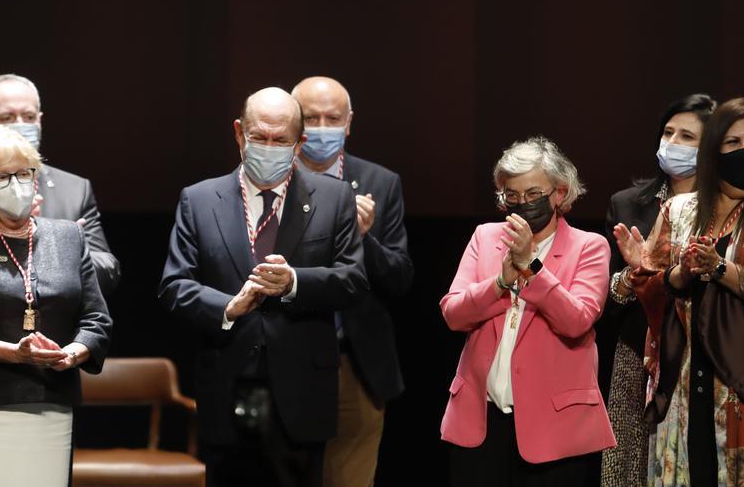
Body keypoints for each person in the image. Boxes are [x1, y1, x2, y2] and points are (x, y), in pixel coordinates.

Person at [158, 87, 367, 487]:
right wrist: (226, 307)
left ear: (299, 143)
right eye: (259, 137)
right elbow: (173, 285)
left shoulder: (334, 197)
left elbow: (353, 280)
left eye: (280, 140)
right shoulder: (199, 199)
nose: (268, 147)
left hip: (302, 390)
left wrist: (294, 283)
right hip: (226, 382)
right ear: (239, 133)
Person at [614, 97, 744, 486]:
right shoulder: (681, 208)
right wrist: (658, 273)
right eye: (732, 142)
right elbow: (657, 289)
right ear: (713, 151)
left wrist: (719, 269)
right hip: (688, 379)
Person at [0, 125, 112, 487]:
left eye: (24, 173)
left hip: (52, 400)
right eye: (2, 176)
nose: (16, 184)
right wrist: (15, 353)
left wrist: (73, 353)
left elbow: (97, 319)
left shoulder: (69, 236)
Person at [440, 136, 614, 486]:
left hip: (554, 429)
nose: (522, 204)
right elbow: (454, 313)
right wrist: (500, 283)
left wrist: (530, 266)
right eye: (512, 196)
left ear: (560, 194)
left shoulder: (589, 247)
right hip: (482, 421)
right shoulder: (485, 237)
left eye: (533, 195)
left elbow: (577, 320)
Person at [291, 76, 412, 487]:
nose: (322, 127)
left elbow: (399, 279)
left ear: (349, 123)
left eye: (333, 118)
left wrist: (366, 237)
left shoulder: (381, 182)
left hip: (355, 361)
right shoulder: (269, 180)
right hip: (286, 352)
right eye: (311, 118)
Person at [599, 93, 715, 486]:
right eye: (668, 133)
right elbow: (609, 300)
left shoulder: (726, 209)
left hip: (701, 356)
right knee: (630, 468)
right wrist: (633, 276)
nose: (673, 143)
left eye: (687, 136)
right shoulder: (629, 204)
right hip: (637, 353)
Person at [0, 73, 119, 293]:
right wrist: (7, 231)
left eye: (28, 117)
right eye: (7, 118)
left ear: (40, 120)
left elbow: (108, 270)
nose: (20, 125)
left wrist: (62, 244)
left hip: (60, 322)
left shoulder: (75, 189)